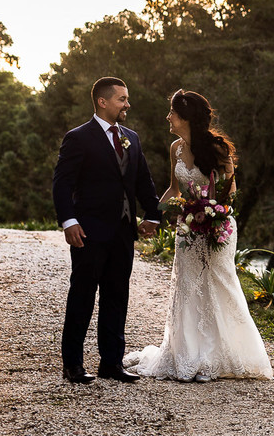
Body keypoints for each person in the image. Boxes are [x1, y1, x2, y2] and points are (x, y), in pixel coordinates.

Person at [122, 89, 273, 381]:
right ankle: (190, 354)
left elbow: (231, 191)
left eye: (172, 113)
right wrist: (155, 215)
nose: (168, 117)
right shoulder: (175, 148)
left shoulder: (218, 149)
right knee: (188, 286)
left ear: (186, 117)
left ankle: (222, 356)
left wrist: (212, 211)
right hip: (188, 228)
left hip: (218, 226)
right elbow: (174, 189)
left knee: (219, 284)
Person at [52, 77, 160, 384]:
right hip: (88, 231)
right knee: (82, 296)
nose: (127, 104)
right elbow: (62, 183)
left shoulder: (131, 138)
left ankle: (111, 363)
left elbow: (143, 181)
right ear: (102, 101)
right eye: (122, 99)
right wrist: (69, 221)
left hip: (123, 231)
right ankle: (72, 364)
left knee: (117, 296)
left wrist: (153, 214)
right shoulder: (78, 137)